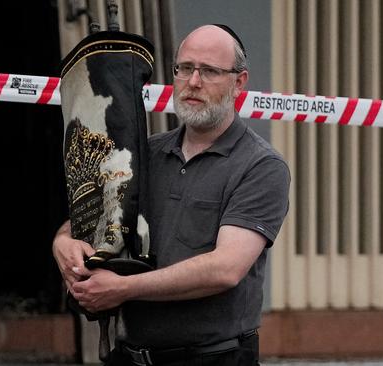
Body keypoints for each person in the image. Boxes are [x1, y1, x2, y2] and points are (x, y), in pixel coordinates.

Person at [52, 24, 290, 366]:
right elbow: (90, 217)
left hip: (213, 358)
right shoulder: (144, 154)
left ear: (239, 82)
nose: (193, 82)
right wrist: (62, 243)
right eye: (185, 68)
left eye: (209, 71)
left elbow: (225, 269)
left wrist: (122, 289)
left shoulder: (260, 166)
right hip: (132, 356)